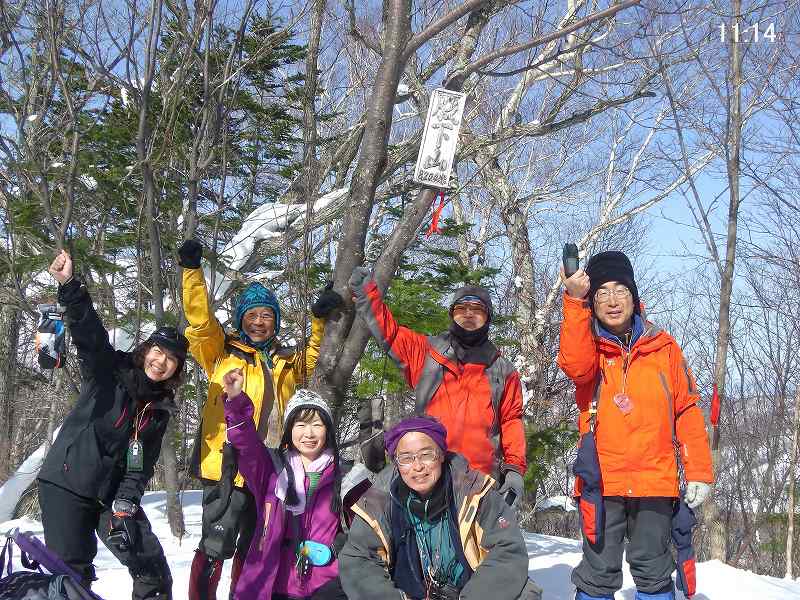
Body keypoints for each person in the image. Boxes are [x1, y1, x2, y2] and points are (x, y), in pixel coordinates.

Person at [178, 239, 343, 599]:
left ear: (275, 322)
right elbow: (201, 323)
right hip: (227, 467)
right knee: (215, 544)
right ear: (241, 319)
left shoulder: (285, 360)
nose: (258, 322)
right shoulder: (221, 352)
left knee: (256, 546)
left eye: (266, 315)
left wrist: (319, 320)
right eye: (251, 315)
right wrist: (191, 272)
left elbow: (316, 357)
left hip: (272, 471)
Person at [558, 250, 714, 600]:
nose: (613, 301)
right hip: (601, 481)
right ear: (592, 302)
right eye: (602, 293)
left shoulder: (665, 348)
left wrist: (699, 471)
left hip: (654, 481)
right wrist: (574, 301)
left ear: (634, 296)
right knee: (597, 574)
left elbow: (687, 409)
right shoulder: (588, 346)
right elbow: (575, 367)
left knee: (654, 571)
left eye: (620, 290)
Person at [38, 250, 188, 600]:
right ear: (146, 350)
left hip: (109, 496)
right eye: (158, 351)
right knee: (71, 575)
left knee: (152, 568)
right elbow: (89, 333)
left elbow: (140, 466)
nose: (161, 361)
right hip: (67, 483)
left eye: (171, 359)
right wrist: (69, 286)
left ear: (176, 370)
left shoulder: (158, 410)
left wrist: (126, 502)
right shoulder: (109, 371)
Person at [348, 267, 526, 506]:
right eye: (461, 308)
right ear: (452, 314)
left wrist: (514, 469)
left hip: (480, 483)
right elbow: (390, 333)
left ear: (488, 317)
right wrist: (367, 294)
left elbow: (511, 421)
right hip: (427, 477)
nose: (469, 314)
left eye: (477, 309)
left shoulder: (503, 370)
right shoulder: (426, 353)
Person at [339, 415, 540, 600]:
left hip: (469, 591)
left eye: (426, 454)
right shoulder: (378, 501)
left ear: (442, 454)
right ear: (396, 462)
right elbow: (359, 559)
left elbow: (507, 550)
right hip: (406, 593)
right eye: (406, 458)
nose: (418, 466)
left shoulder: (475, 492)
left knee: (525, 592)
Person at [220, 370, 347, 600]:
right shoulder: (272, 470)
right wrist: (236, 400)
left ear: (327, 430)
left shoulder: (344, 475)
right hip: (273, 583)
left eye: (317, 425)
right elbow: (245, 442)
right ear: (289, 430)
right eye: (300, 424)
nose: (309, 433)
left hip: (327, 586)